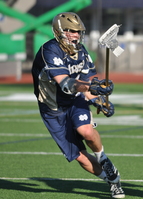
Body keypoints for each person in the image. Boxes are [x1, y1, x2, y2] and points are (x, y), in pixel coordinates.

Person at [31, 12, 125, 199]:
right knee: (79, 156)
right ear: (59, 31)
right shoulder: (49, 50)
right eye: (70, 31)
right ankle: (113, 181)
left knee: (86, 131)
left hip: (74, 101)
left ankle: (103, 158)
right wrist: (93, 87)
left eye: (78, 32)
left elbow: (84, 88)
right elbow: (66, 84)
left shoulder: (82, 52)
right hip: (53, 109)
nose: (75, 35)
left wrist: (97, 98)